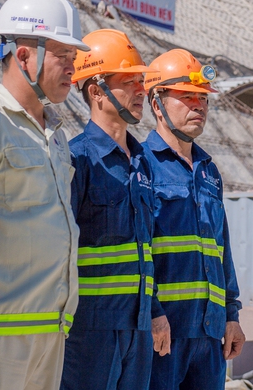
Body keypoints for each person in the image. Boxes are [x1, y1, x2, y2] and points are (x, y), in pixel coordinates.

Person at [0, 0, 89, 389]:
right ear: (24, 55)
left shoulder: (56, 136)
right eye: (62, 57)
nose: (72, 70)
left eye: (74, 59)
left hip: (51, 330)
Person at [61, 29, 162, 390]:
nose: (141, 90)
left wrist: (156, 312)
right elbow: (61, 250)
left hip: (138, 326)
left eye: (141, 81)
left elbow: (146, 249)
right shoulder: (76, 160)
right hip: (89, 329)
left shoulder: (143, 164)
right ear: (97, 91)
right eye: (129, 82)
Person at [141, 49, 245, 390]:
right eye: (187, 97)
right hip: (165, 332)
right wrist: (152, 313)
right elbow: (138, 251)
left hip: (210, 334)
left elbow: (221, 247)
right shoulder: (141, 165)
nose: (198, 106)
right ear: (157, 104)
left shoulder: (209, 171)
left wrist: (231, 315)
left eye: (202, 98)